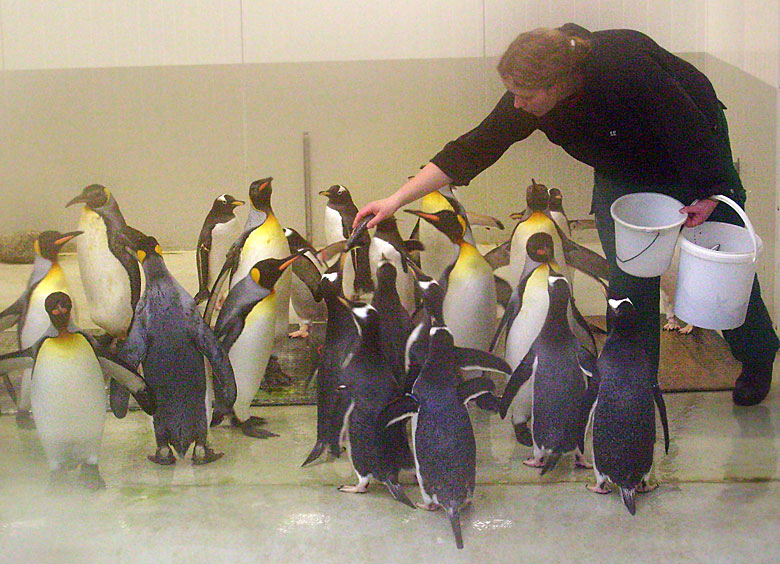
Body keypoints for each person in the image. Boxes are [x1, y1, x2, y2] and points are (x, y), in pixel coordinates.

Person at [354, 23, 779, 406]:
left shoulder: (628, 69)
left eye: (525, 95)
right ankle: (636, 388)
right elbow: (474, 147)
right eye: (513, 93)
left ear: (560, 84)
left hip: (692, 156)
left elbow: (693, 131)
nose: (516, 104)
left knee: (723, 272)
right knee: (630, 284)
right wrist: (394, 200)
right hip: (623, 171)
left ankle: (757, 354)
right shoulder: (532, 96)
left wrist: (713, 194)